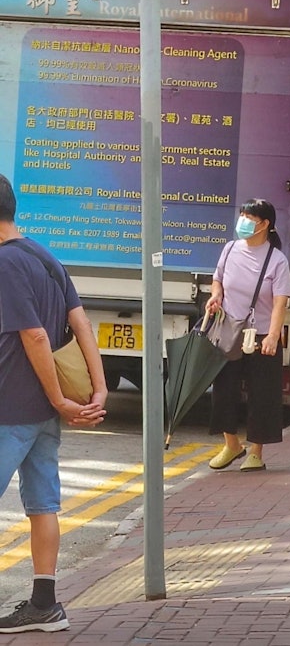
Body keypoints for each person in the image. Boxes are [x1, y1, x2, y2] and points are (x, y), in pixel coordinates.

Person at [0, 174, 107, 633]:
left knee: (41, 502)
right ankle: (45, 604)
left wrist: (61, 398)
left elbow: (36, 336)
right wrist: (97, 389)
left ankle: (44, 608)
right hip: (42, 416)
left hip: (11, 409)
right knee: (43, 504)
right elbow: (81, 325)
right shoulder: (43, 255)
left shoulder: (5, 263)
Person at [206, 199, 290, 472]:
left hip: (261, 334)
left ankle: (256, 451)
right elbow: (217, 278)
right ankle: (231, 445)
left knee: (262, 394)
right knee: (223, 389)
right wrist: (216, 295)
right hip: (229, 330)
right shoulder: (230, 249)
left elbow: (280, 302)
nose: (242, 221)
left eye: (249, 217)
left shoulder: (277, 260)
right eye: (242, 215)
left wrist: (272, 336)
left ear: (265, 224)